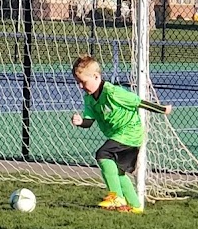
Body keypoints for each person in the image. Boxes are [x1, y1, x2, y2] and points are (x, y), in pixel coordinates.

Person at [70, 54, 172, 213]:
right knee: (118, 172)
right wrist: (80, 122)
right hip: (118, 135)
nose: (81, 86)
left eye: (83, 82)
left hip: (130, 132)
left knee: (102, 154)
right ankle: (135, 206)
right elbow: (89, 121)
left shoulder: (112, 92)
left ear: (96, 76)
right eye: (78, 83)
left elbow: (137, 102)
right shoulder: (89, 99)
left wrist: (161, 109)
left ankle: (116, 196)